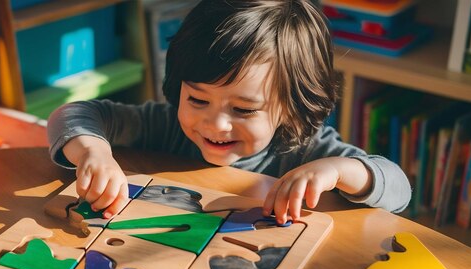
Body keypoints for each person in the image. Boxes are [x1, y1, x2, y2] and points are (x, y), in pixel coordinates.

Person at [47, 0, 411, 223]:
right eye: (198, 100)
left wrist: (340, 170)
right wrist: (93, 151)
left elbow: (399, 190)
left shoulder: (304, 149)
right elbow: (73, 113)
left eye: (243, 109)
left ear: (291, 108)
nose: (215, 123)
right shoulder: (166, 125)